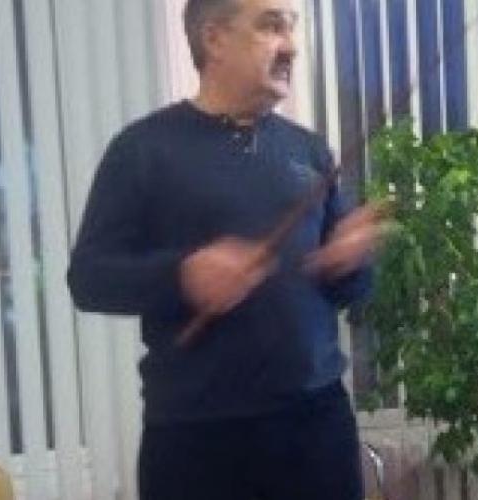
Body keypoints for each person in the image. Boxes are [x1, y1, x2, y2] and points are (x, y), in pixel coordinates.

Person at [67, 0, 383, 498]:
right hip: (198, 439)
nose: (291, 46)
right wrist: (182, 276)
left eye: (291, 27)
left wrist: (349, 262)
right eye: (271, 26)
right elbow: (88, 278)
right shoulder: (142, 149)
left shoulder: (309, 150)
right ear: (214, 39)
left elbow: (348, 291)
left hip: (317, 426)